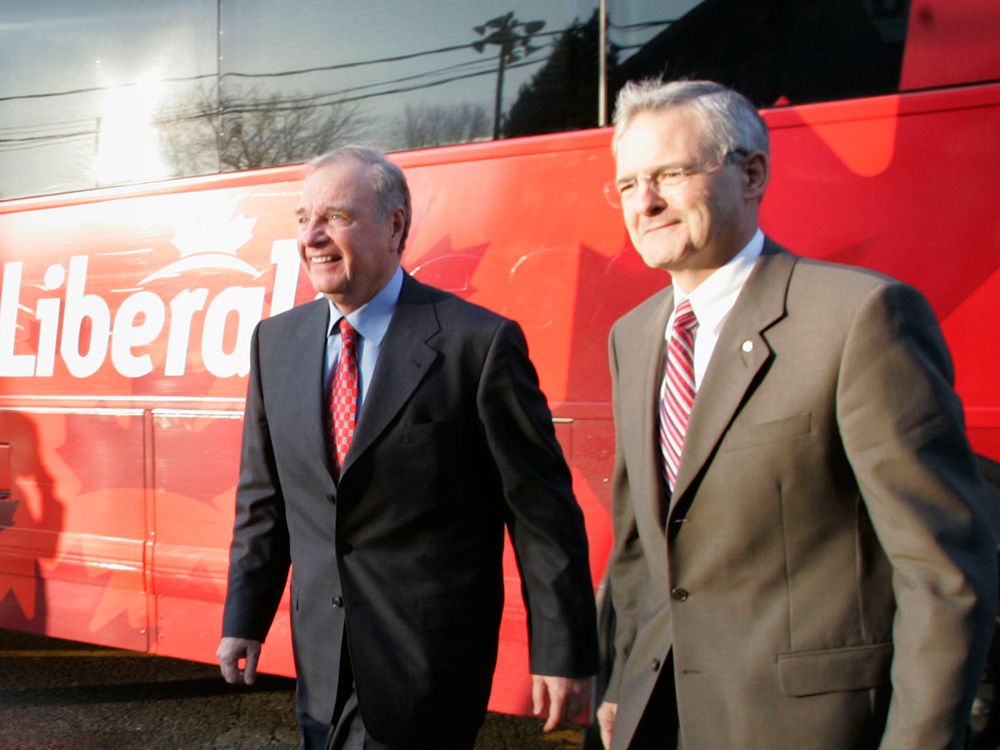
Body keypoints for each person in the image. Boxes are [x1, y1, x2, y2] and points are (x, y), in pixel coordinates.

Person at [596, 79, 997, 750]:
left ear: (751, 174)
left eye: (670, 174)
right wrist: (619, 684)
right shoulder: (632, 336)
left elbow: (942, 571)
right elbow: (640, 544)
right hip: (660, 718)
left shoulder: (861, 317)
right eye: (628, 183)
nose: (646, 203)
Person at [217, 146, 597, 750]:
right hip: (320, 663)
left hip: (430, 669)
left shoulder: (479, 343)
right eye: (302, 218)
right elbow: (264, 501)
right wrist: (244, 620)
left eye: (336, 217)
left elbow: (541, 513)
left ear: (395, 225)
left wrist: (563, 650)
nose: (312, 236)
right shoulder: (276, 343)